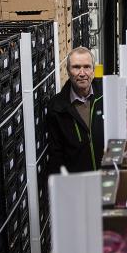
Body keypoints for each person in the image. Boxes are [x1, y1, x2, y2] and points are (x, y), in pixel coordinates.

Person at [46, 46, 104, 174]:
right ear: (68, 70)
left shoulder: (106, 95)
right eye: (76, 67)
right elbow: (56, 155)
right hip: (78, 183)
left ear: (93, 70)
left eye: (87, 67)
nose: (82, 73)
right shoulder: (57, 107)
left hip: (109, 177)